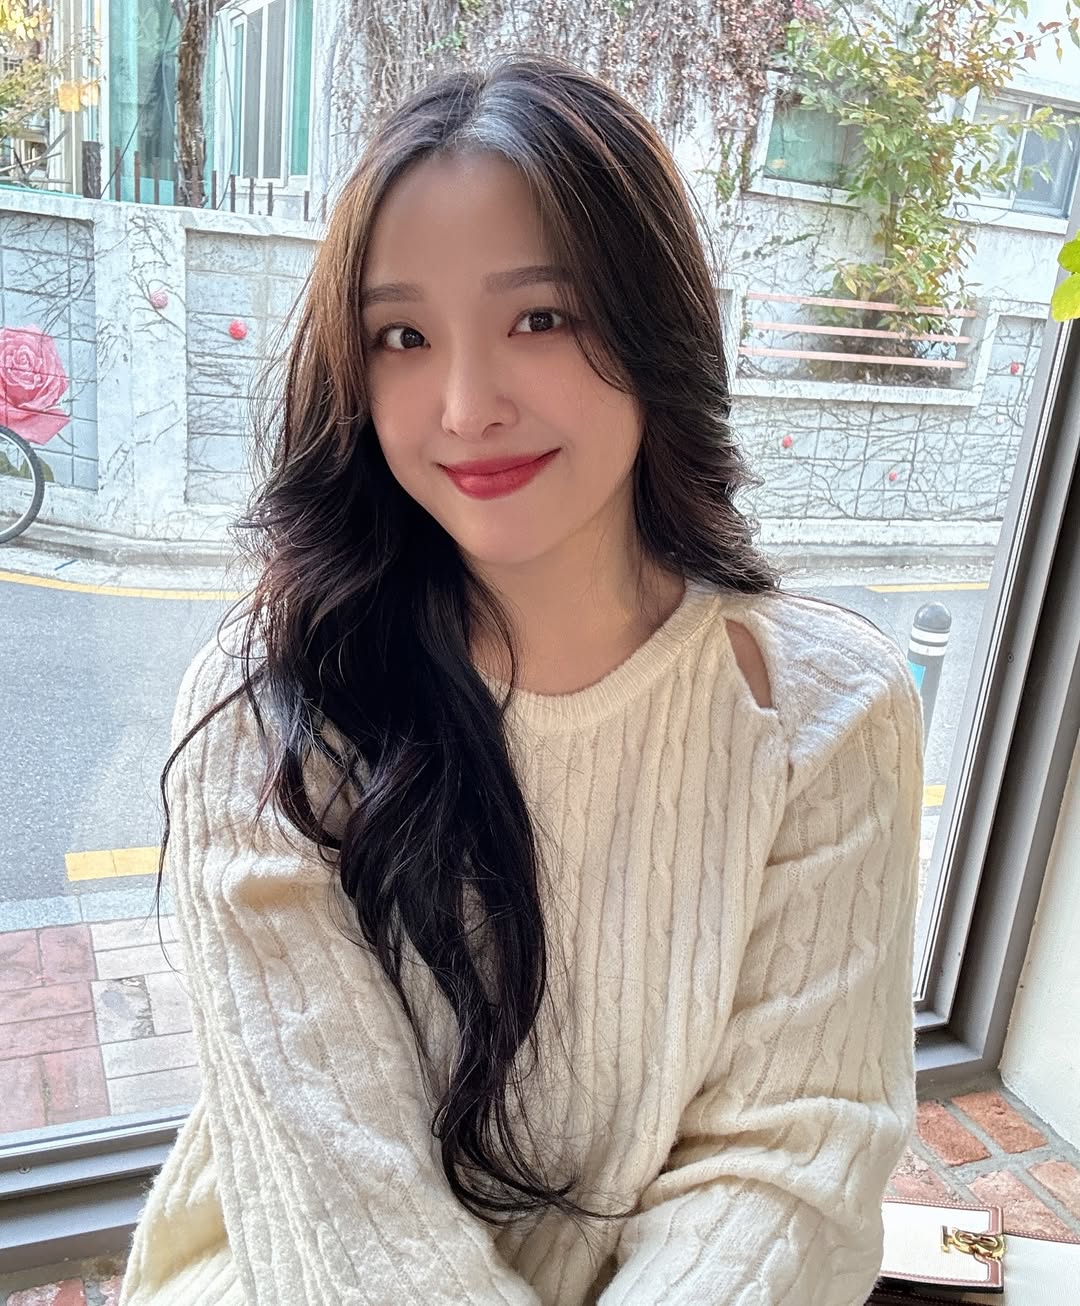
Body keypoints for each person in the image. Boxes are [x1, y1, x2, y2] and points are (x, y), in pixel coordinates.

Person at [119, 51, 925, 1306]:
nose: (463, 404)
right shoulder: (271, 699)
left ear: (654, 323)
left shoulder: (825, 714)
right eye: (402, 336)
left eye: (539, 317)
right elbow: (347, 1217)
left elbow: (786, 1160)